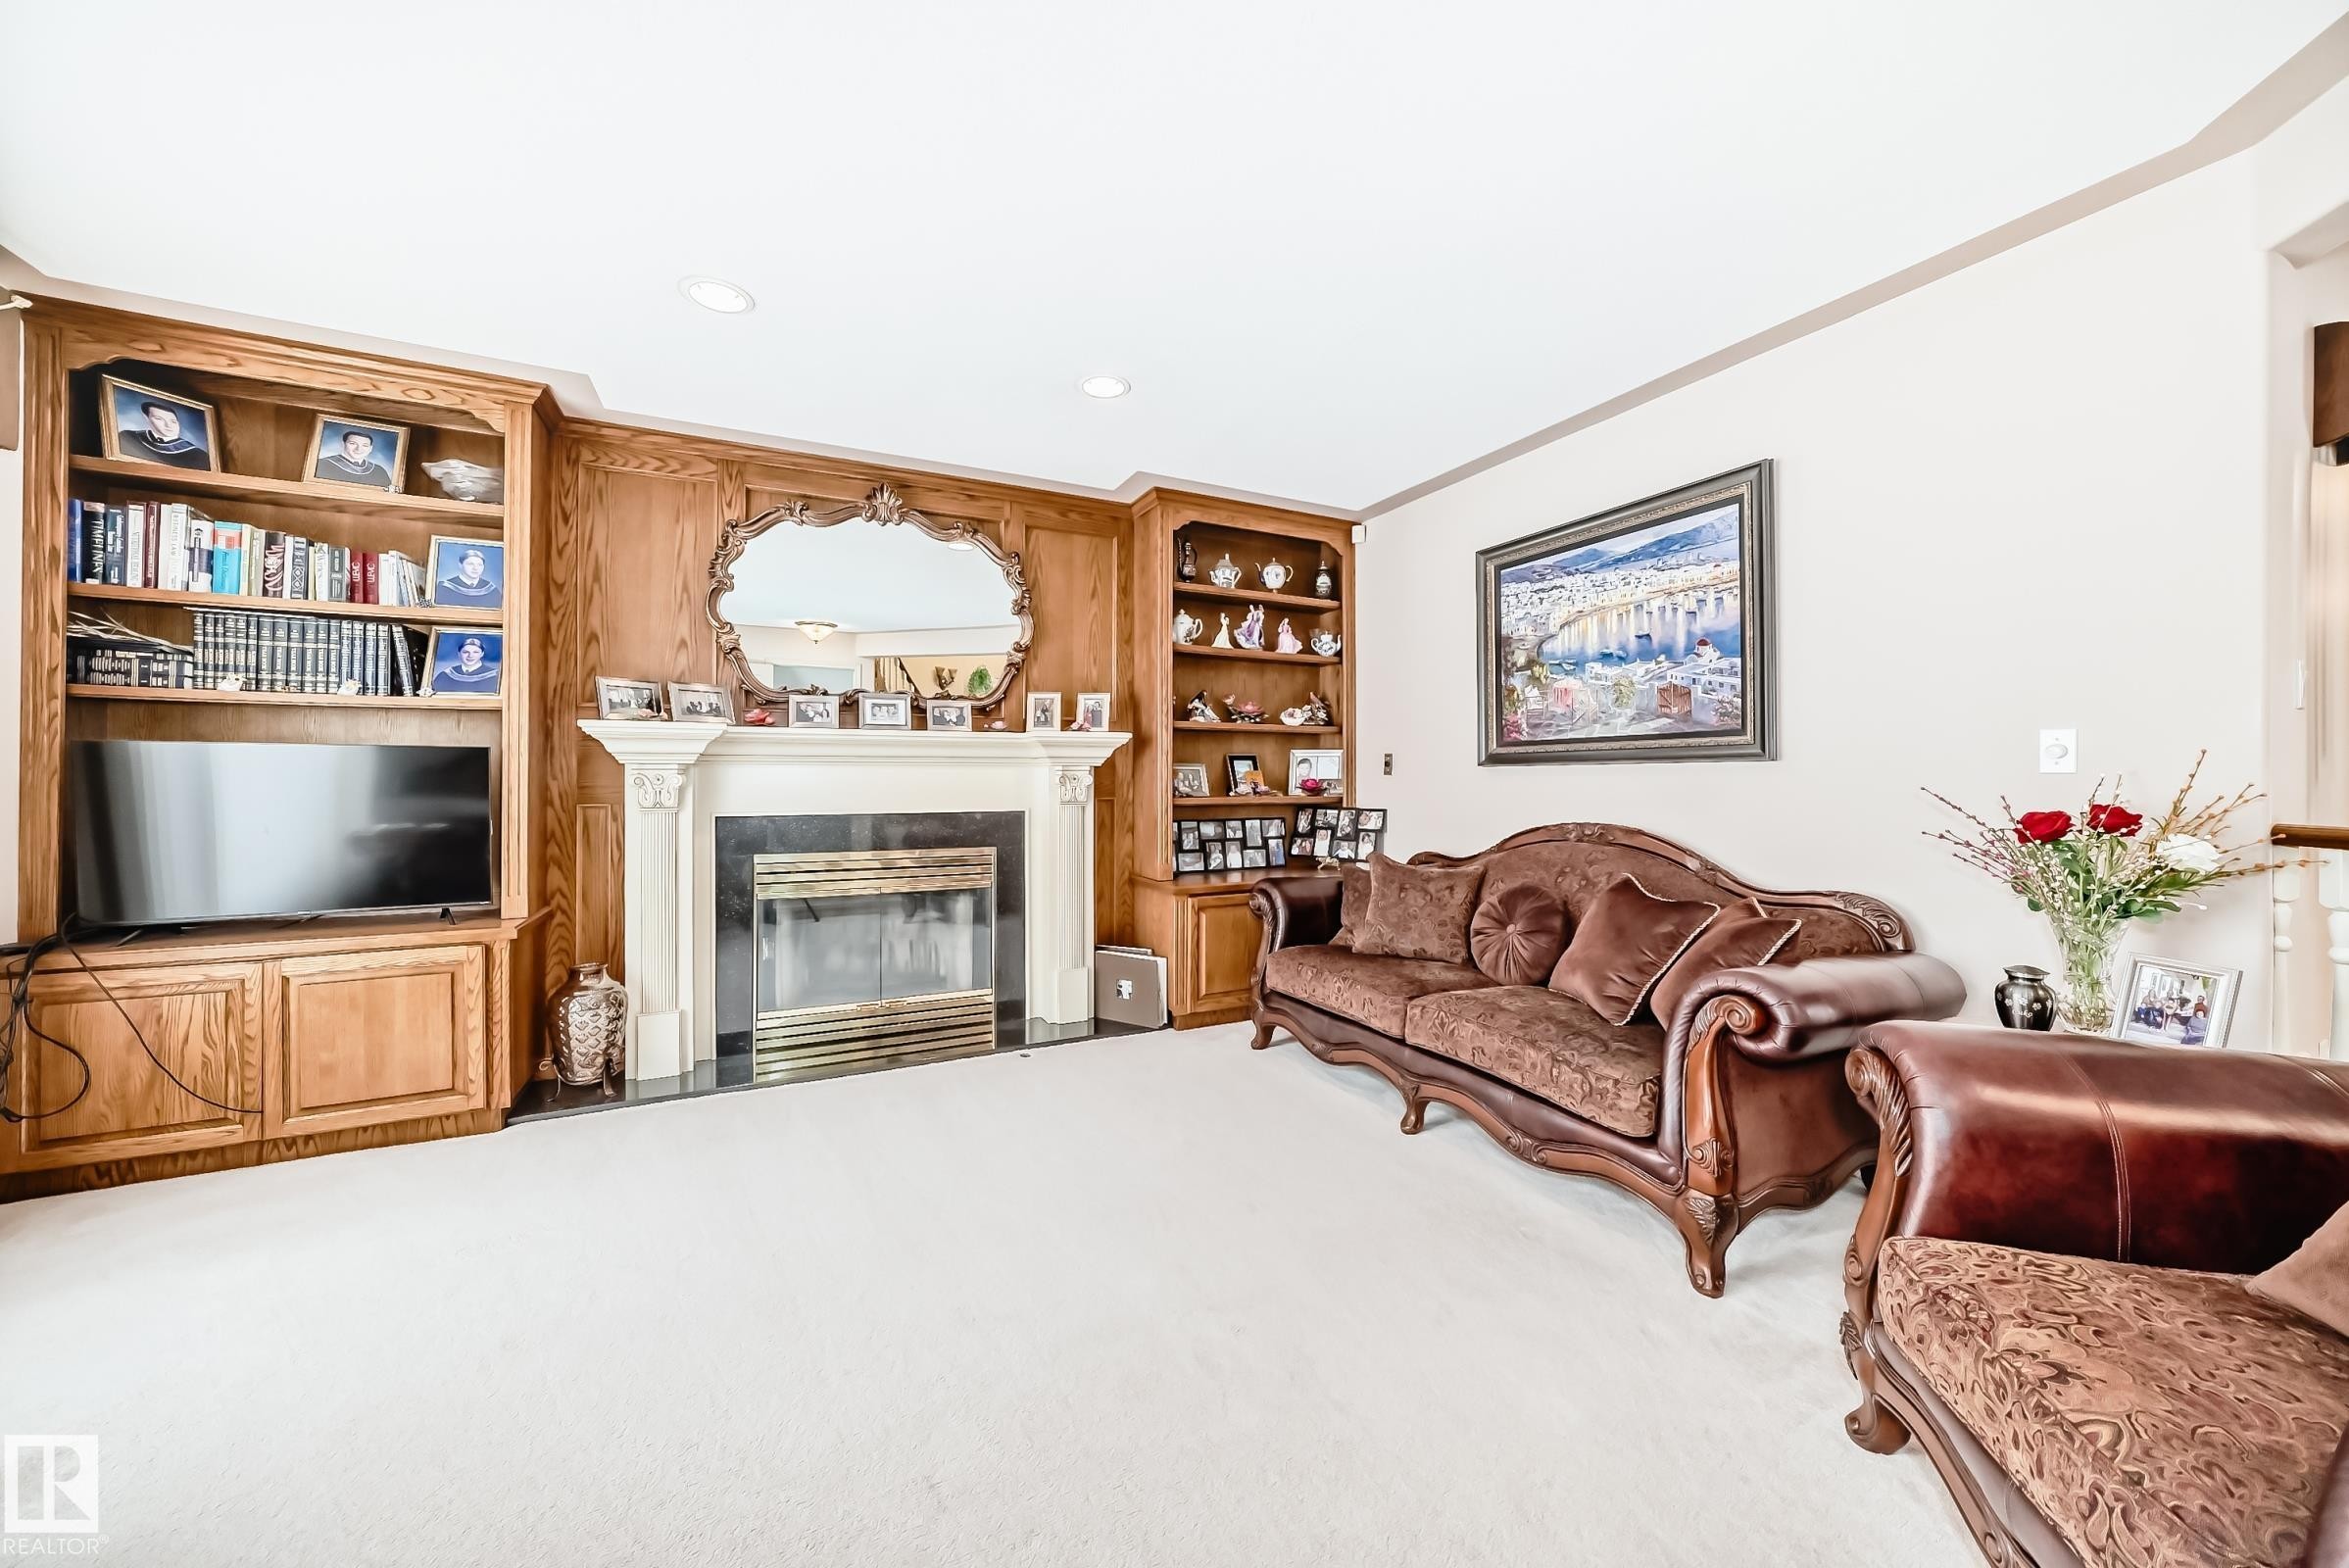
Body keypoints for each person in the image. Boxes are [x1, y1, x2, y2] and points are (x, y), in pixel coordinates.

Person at [119, 398, 211, 469]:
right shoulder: (128, 437)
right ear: (147, 419)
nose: (168, 425)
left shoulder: (199, 456)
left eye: (173, 421)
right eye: (159, 419)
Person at [315, 426, 395, 489]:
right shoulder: (322, 464)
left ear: (370, 448)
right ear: (343, 444)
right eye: (353, 443)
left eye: (365, 445)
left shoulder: (379, 471)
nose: (358, 449)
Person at [435, 545, 500, 604]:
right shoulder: (444, 588)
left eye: (479, 565)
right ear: (460, 565)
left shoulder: (492, 590)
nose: (475, 568)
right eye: (470, 564)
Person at [435, 635, 500, 692]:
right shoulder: (445, 675)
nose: (470, 655)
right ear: (459, 654)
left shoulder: (494, 677)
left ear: (482, 654)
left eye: (475, 652)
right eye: (465, 652)